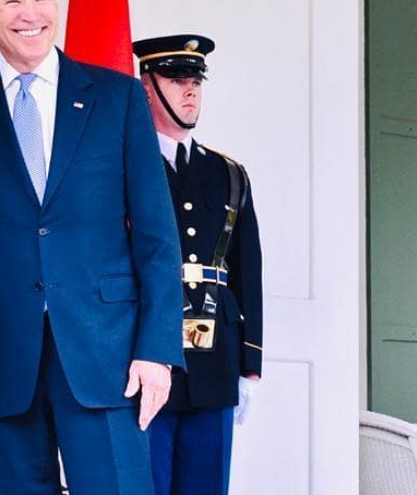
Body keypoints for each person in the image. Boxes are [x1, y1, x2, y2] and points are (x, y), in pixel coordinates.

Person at [0, 0, 184, 495]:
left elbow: (158, 238)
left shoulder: (119, 99)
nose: (30, 14)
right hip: (3, 351)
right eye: (12, 0)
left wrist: (158, 349)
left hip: (107, 353)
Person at [132, 35, 264, 495]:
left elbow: (248, 271)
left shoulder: (228, 173)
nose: (190, 90)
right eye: (176, 79)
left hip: (215, 360)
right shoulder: (124, 165)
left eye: (196, 81)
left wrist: (250, 364)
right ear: (146, 85)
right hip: (145, 356)